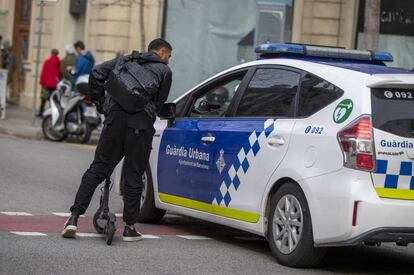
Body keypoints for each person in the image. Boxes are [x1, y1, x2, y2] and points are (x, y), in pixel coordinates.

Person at [62, 38, 172, 242]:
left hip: (114, 121)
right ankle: (130, 228)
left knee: (97, 169)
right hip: (140, 126)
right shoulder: (164, 70)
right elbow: (159, 102)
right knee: (133, 174)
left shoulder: (125, 60)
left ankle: (73, 219)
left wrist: (101, 103)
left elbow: (96, 73)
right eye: (169, 56)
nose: (169, 60)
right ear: (163, 52)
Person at [38, 49, 61, 117]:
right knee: (52, 100)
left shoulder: (47, 62)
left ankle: (40, 113)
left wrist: (42, 82)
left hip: (47, 84)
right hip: (55, 84)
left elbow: (44, 73)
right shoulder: (59, 63)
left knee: (43, 99)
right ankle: (51, 114)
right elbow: (59, 74)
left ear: (51, 53)